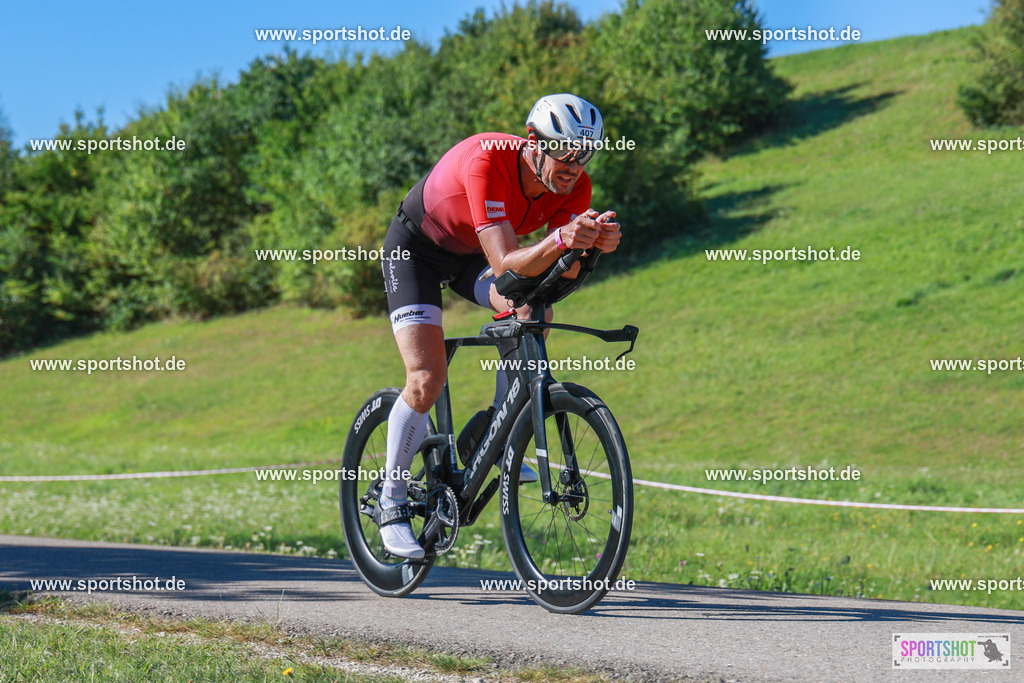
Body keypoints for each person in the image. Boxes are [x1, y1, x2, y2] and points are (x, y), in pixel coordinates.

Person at [377, 93, 621, 559]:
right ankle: (392, 500)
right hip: (417, 251)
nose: (574, 166)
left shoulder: (576, 187)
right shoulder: (489, 160)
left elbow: (555, 274)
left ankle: (496, 427)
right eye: (565, 151)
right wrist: (560, 239)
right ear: (534, 142)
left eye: (585, 154)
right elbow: (508, 263)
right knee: (427, 377)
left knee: (535, 309)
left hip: (472, 255)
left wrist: (590, 246)